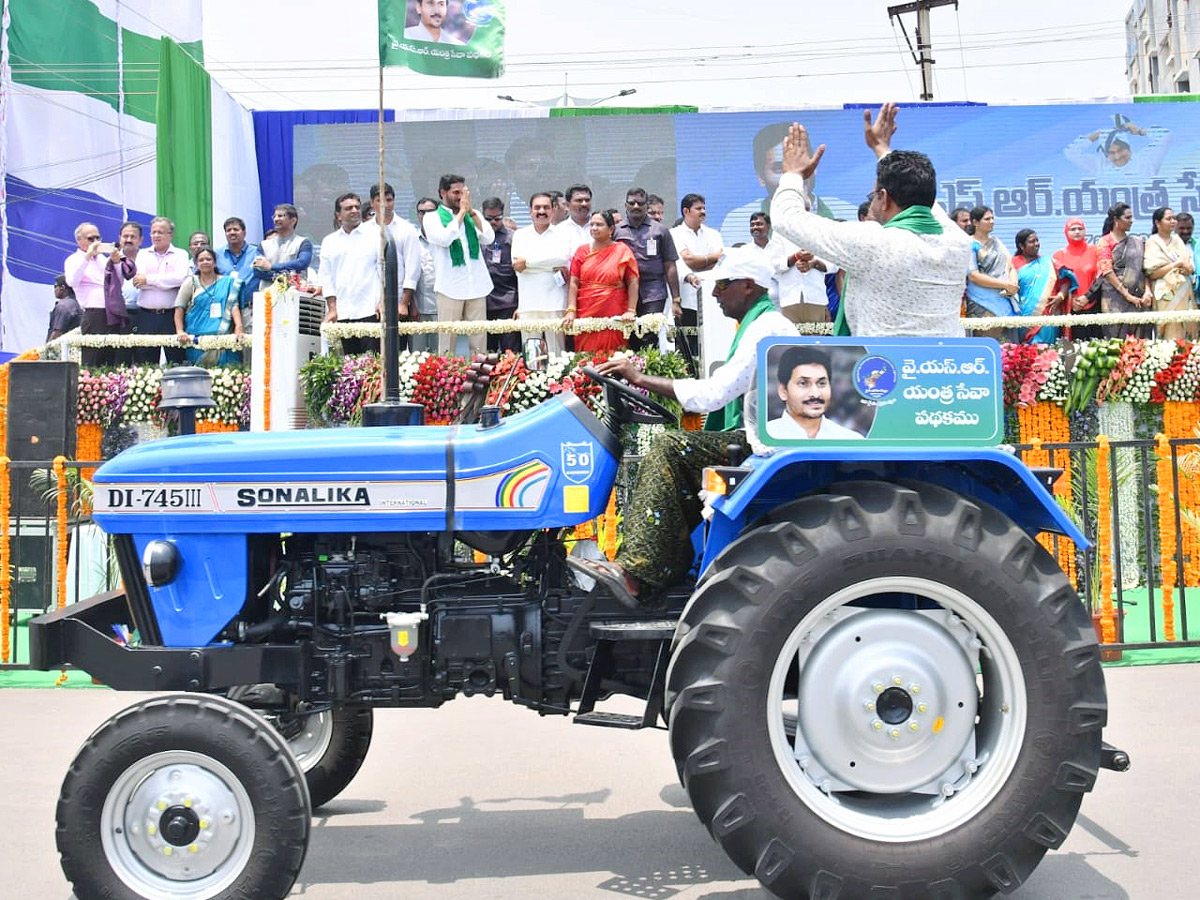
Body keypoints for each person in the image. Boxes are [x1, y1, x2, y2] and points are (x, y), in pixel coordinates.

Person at [564, 246, 797, 608]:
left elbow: (715, 394)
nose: (716, 294)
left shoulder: (768, 327)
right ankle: (664, 565)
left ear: (749, 286)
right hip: (758, 436)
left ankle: (639, 572)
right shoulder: (759, 323)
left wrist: (640, 377)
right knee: (678, 449)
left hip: (763, 445)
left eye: (723, 285)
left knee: (669, 447)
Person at [769, 102, 972, 338]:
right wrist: (882, 149)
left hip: (883, 370)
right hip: (942, 368)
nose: (872, 200)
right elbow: (924, 201)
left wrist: (793, 174)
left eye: (873, 195)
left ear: (884, 198)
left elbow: (786, 217)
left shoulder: (874, 242)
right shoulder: (958, 241)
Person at [422, 173, 495, 357]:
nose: (461, 197)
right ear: (442, 193)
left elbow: (488, 237)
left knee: (479, 342)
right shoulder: (432, 218)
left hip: (476, 285)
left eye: (463, 192)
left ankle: (479, 379)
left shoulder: (473, 214)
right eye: (456, 192)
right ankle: (447, 381)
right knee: (447, 341)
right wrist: (461, 213)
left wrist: (470, 213)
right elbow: (445, 238)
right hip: (449, 287)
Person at [319, 192, 387, 356]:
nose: (355, 210)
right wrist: (333, 308)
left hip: (370, 311)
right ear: (338, 215)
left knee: (372, 363)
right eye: (348, 208)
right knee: (350, 366)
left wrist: (382, 302)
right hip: (343, 313)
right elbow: (326, 277)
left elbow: (384, 272)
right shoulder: (329, 241)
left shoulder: (376, 235)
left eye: (357, 207)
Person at [562, 210, 639, 354]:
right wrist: (571, 310)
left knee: (614, 351)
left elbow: (633, 281)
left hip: (614, 307)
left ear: (611, 229)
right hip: (586, 308)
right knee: (586, 353)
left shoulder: (622, 250)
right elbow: (574, 282)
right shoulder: (582, 251)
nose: (594, 228)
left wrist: (631, 310)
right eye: (592, 225)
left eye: (599, 225)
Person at [615, 186, 681, 351]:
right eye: (632, 203)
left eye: (640, 203)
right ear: (626, 205)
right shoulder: (616, 231)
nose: (636, 206)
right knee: (627, 332)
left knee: (649, 333)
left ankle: (647, 372)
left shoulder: (660, 230)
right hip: (624, 290)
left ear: (646, 206)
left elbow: (670, 265)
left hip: (653, 290)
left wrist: (676, 299)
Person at [65, 222, 131, 367]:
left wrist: (116, 263)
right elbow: (72, 281)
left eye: (98, 238)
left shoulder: (103, 259)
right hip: (93, 313)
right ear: (79, 240)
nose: (95, 242)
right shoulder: (74, 260)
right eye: (91, 239)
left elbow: (118, 282)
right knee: (93, 357)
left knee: (111, 357)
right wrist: (88, 256)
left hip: (112, 310)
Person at [367, 182, 423, 349]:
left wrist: (404, 303)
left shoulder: (406, 229)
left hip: (397, 301)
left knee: (395, 352)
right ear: (372, 203)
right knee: (372, 355)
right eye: (379, 200)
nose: (385, 204)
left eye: (389, 200)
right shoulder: (363, 230)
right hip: (369, 304)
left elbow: (412, 269)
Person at [512, 192, 570, 356]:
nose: (541, 211)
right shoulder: (520, 235)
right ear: (530, 211)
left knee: (557, 354)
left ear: (553, 209)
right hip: (528, 303)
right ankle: (532, 382)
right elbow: (517, 265)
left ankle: (558, 382)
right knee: (532, 357)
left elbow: (561, 258)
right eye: (537, 208)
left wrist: (529, 263)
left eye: (546, 207)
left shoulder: (562, 233)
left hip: (555, 301)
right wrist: (548, 264)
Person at [765, 345, 864, 440]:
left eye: (821, 383)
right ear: (783, 391)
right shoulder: (764, 438)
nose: (815, 394)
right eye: (803, 383)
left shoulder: (850, 440)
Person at [670, 193, 723, 359]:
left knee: (711, 345)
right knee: (687, 346)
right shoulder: (674, 234)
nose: (703, 212)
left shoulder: (713, 234)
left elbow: (719, 260)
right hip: (686, 297)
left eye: (704, 208)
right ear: (686, 211)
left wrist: (697, 262)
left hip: (710, 298)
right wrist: (708, 259)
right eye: (698, 208)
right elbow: (685, 260)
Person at [133, 216, 190, 364]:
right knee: (145, 362)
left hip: (171, 316)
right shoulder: (143, 254)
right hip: (146, 315)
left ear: (171, 234)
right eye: (153, 232)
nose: (156, 236)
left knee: (175, 359)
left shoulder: (180, 254)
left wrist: (149, 279)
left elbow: (179, 279)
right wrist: (165, 281)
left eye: (160, 232)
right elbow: (139, 281)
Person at [174, 247, 244, 366]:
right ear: (196, 263)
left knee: (227, 378)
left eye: (208, 259)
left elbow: (234, 306)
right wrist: (180, 331)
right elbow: (179, 308)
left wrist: (239, 327)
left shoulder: (227, 282)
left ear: (215, 262)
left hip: (223, 339)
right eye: (201, 260)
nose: (205, 262)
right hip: (196, 340)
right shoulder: (190, 282)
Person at [1096, 202, 1152, 339]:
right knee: (1116, 340)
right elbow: (1107, 271)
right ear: (1116, 220)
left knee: (1140, 341)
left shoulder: (1137, 242)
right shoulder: (1105, 241)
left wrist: (1148, 291)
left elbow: (1144, 269)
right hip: (1114, 298)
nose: (1131, 221)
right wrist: (1127, 296)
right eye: (1127, 218)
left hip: (1139, 298)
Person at [964, 206, 1018, 341]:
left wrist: (1013, 285)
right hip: (981, 302)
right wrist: (1005, 284)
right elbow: (973, 276)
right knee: (987, 344)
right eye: (987, 219)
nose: (992, 221)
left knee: (1009, 349)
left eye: (993, 218)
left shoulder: (997, 242)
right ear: (976, 223)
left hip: (1004, 299)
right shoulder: (969, 244)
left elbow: (1010, 267)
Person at [1144, 206, 1196, 341]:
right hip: (1164, 294)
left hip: (1184, 290)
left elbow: (1188, 267)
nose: (1173, 221)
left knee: (1186, 328)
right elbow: (1153, 273)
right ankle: (1166, 358)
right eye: (1169, 219)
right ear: (1157, 222)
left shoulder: (1178, 240)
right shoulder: (1153, 242)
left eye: (1174, 218)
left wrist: (1186, 266)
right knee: (1167, 329)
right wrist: (1176, 265)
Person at [1012, 230, 1068, 344]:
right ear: (1021, 246)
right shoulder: (1012, 264)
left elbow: (1067, 279)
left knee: (1049, 353)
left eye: (1037, 240)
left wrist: (1061, 295)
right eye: (1032, 242)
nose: (1036, 244)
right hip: (1024, 315)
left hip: (1047, 314)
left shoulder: (1048, 262)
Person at [1052, 217, 1102, 341]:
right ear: (1066, 233)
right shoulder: (1059, 255)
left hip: (1094, 305)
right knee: (1073, 351)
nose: (1077, 232)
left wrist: (1087, 297)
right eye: (1073, 229)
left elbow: (1102, 277)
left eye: (1080, 229)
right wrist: (1070, 300)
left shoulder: (1095, 251)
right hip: (1070, 308)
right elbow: (1058, 283)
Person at [481, 197, 520, 354]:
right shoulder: (477, 237)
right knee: (485, 352)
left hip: (508, 302)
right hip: (483, 302)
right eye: (488, 219)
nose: (493, 223)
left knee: (510, 351)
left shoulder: (513, 237)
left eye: (497, 218)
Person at [253, 204, 314, 289]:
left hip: (294, 296)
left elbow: (301, 263)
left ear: (293, 220)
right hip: (268, 298)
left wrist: (272, 267)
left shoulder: (302, 243)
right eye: (274, 216)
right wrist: (283, 278)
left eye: (280, 216)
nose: (276, 219)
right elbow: (258, 271)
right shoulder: (264, 245)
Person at [411, 197, 441, 354]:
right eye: (421, 212)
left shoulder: (446, 239)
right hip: (418, 309)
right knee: (418, 356)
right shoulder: (412, 240)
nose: (425, 216)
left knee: (442, 356)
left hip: (443, 309)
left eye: (430, 212)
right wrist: (412, 305)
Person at [215, 217, 261, 315]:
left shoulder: (257, 252)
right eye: (228, 230)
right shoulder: (217, 254)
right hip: (224, 309)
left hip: (250, 309)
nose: (232, 232)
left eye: (236, 229)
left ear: (244, 233)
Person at [556, 184, 593, 254]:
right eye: (579, 200)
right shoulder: (559, 231)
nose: (584, 204)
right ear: (567, 205)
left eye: (587, 200)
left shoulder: (602, 227)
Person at [46, 275, 81, 341]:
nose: (54, 290)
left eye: (55, 286)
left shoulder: (63, 306)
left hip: (63, 348)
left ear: (62, 288)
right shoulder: (79, 303)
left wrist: (47, 349)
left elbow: (57, 333)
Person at [1176, 212, 1200, 297]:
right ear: (1175, 228)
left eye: (1189, 228)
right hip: (1177, 294)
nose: (1185, 231)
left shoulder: (1197, 245)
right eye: (1181, 228)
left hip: (1196, 295)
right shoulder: (1167, 246)